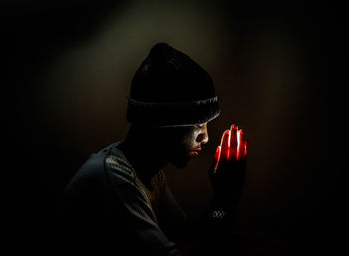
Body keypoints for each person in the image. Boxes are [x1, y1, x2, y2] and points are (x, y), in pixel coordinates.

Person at [61, 43, 248, 255]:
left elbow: (188, 236)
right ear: (163, 123)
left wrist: (223, 197)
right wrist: (225, 199)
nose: (205, 138)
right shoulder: (115, 181)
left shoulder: (149, 173)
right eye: (197, 124)